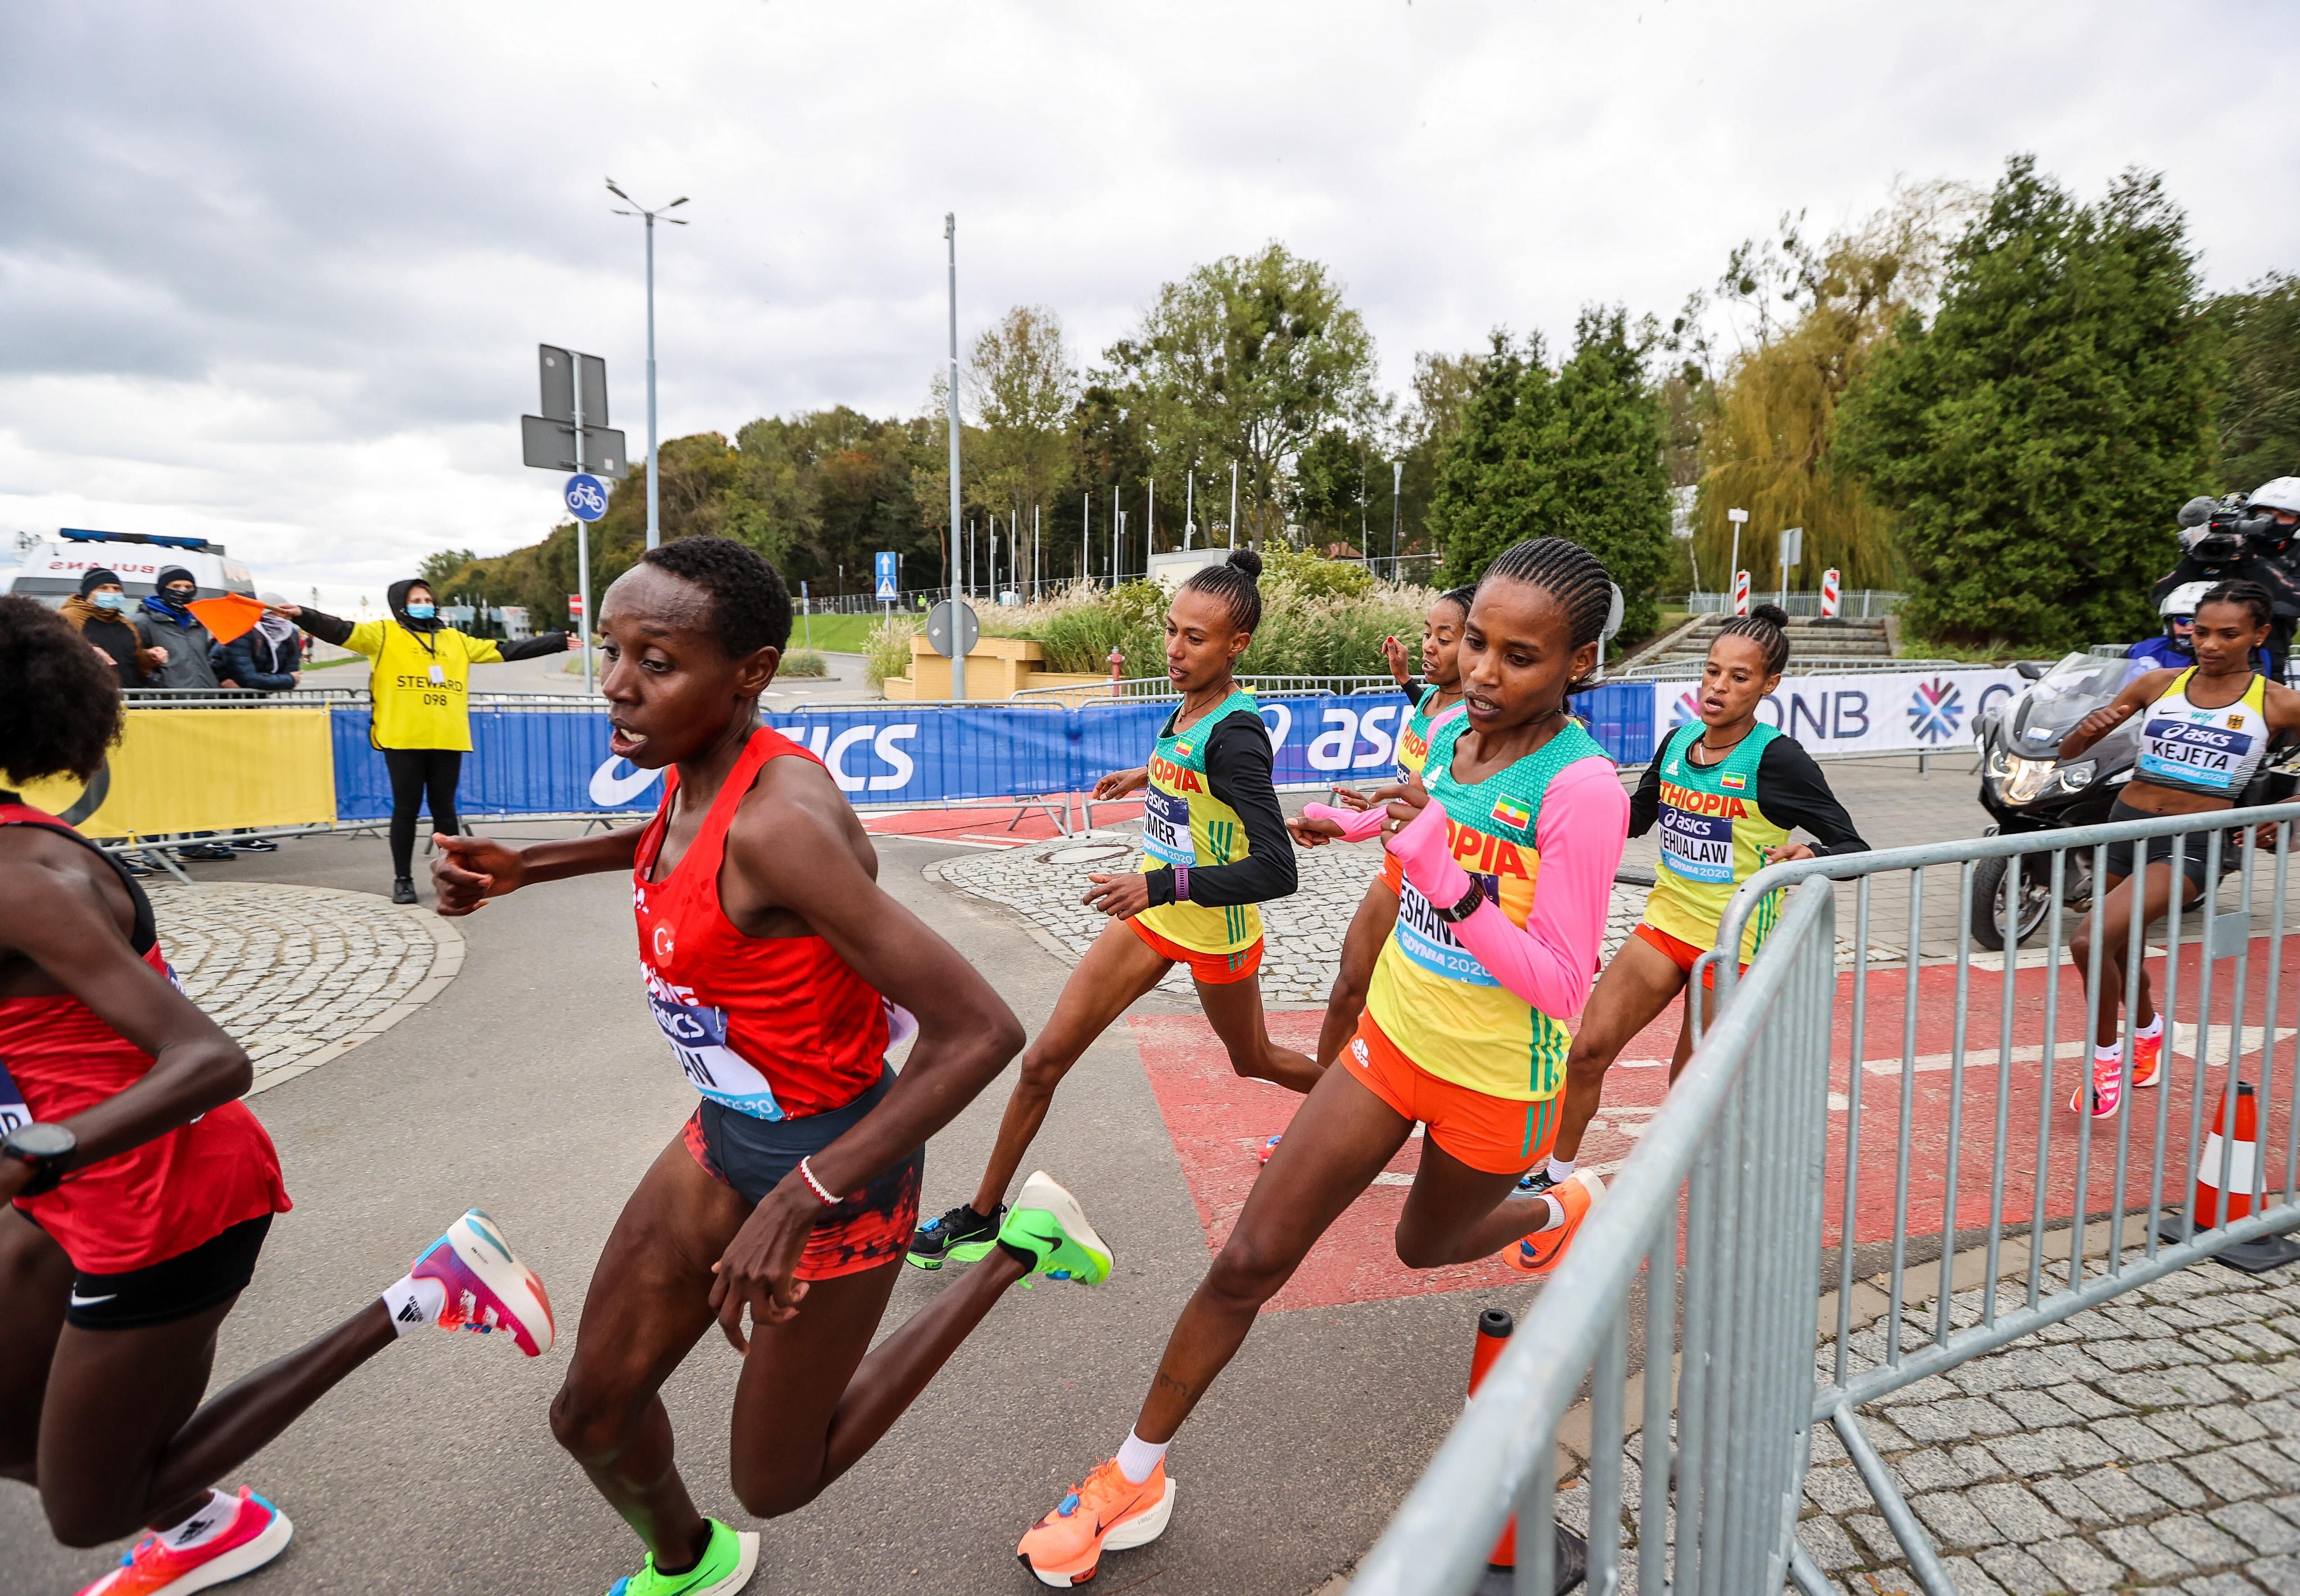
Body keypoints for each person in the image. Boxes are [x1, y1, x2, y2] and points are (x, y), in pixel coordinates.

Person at [428, 536, 1111, 1596]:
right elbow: (673, 834)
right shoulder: (701, 772)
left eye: (656, 660)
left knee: (777, 1481)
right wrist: (536, 863)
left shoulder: (782, 823)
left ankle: (1019, 1246)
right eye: (611, 650)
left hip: (838, 1169)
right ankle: (688, 1561)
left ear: (747, 672)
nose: (616, 682)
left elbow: (980, 1029)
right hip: (723, 1134)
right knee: (590, 1412)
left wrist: (801, 1195)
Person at [1013, 538, 1631, 1588]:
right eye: (1476, 641)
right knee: (1248, 1259)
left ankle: (1555, 1205)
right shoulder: (1449, 731)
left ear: (1576, 665)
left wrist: (1450, 875)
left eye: (1520, 656)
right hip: (1390, 1043)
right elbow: (1415, 808)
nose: (1483, 671)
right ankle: (1134, 1473)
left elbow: (1563, 985)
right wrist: (1355, 820)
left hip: (1497, 1079)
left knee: (1423, 1243)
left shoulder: (1582, 788)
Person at [0, 595, 553, 1596]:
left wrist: (37, 1150)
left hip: (164, 1193)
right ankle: (197, 1512)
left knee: (86, 1508)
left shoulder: (21, 877)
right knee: (4, 1423)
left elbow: (210, 1060)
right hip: (65, 1182)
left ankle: (423, 1295)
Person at [906, 548, 1317, 1269]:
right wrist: (1146, 773)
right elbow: (1190, 776)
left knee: (1252, 1060)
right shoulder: (1192, 702)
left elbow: (1277, 868)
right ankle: (979, 1216)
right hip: (1151, 920)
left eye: (1195, 638)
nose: (1174, 648)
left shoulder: (1239, 734)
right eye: (1171, 630)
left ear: (1237, 645)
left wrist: (1158, 885)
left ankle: (1367, 1106)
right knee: (1043, 1062)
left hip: (1210, 928)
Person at [1530, 603, 1868, 1239]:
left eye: (1739, 678)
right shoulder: (1679, 742)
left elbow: (1856, 850)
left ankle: (1715, 1193)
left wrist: (1809, 855)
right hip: (1666, 925)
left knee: (1689, 1087)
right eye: (1713, 671)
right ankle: (1556, 1171)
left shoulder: (1780, 761)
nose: (1718, 687)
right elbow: (1630, 820)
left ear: (1769, 686)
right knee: (1588, 1050)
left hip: (1733, 944)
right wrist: (1567, 778)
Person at [2059, 580, 2300, 1118]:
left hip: (2194, 843)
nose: (2209, 644)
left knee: (2089, 939)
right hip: (2124, 826)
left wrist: (2290, 814)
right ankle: (2147, 1028)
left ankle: (2106, 1058)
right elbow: (2068, 752)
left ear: (2259, 635)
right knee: (2119, 947)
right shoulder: (2158, 683)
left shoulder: (2278, 702)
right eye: (2201, 631)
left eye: (2228, 634)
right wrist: (2086, 731)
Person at [1287, 584, 1478, 1099]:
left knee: (1420, 1019)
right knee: (1349, 987)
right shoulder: (1433, 700)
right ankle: (1317, 1116)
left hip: (1438, 884)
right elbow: (1412, 794)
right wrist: (1404, 680)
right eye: (1426, 633)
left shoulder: (1469, 726)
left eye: (1446, 637)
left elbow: (1426, 815)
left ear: (1477, 645)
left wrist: (1346, 823)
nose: (1430, 646)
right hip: (1397, 868)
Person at [273, 580, 569, 904]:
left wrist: (556, 642)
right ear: (401, 604)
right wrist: (303, 615)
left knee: (446, 812)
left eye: (428, 598)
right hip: (403, 739)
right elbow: (341, 630)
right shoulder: (383, 634)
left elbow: (505, 649)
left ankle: (457, 876)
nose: (424, 603)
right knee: (406, 810)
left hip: (447, 737)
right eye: (416, 599)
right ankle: (403, 879)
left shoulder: (455, 639)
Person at [59, 569, 159, 692]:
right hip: (87, 697)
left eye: (117, 589)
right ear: (88, 592)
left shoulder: (126, 624)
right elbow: (53, 654)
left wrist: (150, 657)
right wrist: (85, 653)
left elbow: (136, 664)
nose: (111, 593)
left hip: (128, 698)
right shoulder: (67, 618)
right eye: (103, 588)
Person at [136, 566, 222, 693]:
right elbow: (134, 660)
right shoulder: (143, 621)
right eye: (176, 586)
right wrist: (160, 684)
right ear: (163, 589)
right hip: (167, 701)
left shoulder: (200, 621)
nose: (183, 591)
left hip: (206, 697)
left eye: (189, 588)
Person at [213, 593, 304, 694]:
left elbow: (292, 673)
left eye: (288, 613)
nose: (287, 617)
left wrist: (271, 681)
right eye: (281, 612)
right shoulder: (242, 633)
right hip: (227, 694)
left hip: (258, 694)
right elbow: (247, 678)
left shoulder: (291, 634)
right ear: (267, 613)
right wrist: (287, 680)